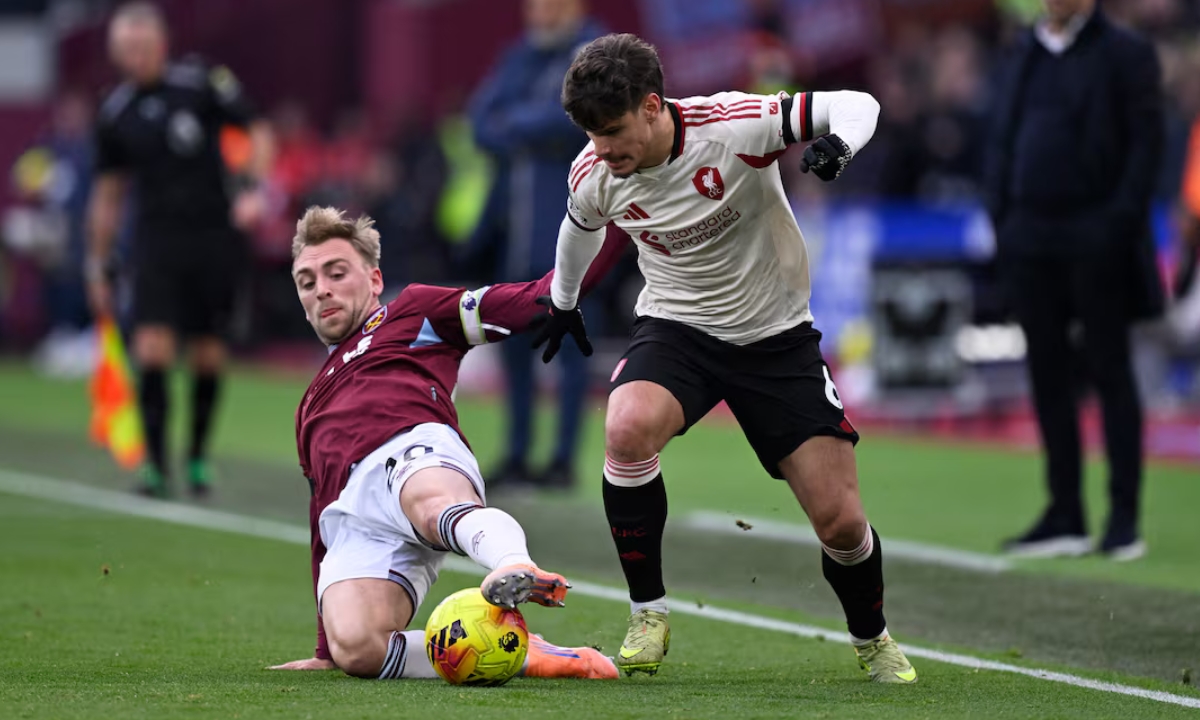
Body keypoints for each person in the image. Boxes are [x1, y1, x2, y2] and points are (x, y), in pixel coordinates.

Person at [534, 33, 916, 683]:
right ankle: (647, 612)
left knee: (843, 523)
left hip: (777, 337)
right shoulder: (596, 170)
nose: (603, 149)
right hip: (678, 328)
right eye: (592, 134)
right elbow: (579, 226)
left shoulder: (738, 124)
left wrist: (839, 146)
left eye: (614, 130)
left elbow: (859, 103)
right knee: (626, 428)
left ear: (653, 106)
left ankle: (872, 637)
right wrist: (563, 302)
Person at [269, 206, 628, 679]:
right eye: (307, 281)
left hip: (411, 451)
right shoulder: (310, 404)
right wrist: (324, 648)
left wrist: (621, 222)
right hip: (357, 516)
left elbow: (536, 296)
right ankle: (527, 654)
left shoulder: (412, 312)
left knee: (430, 502)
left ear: (375, 279)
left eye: (336, 273)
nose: (323, 289)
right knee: (358, 649)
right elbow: (322, 520)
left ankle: (512, 563)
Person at [983, 0, 1164, 560]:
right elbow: (1002, 142)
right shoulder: (1024, 52)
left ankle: (1124, 517)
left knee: (1110, 370)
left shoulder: (1127, 53)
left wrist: (1116, 221)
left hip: (1098, 233)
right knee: (1047, 371)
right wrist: (1005, 223)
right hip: (1031, 235)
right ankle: (1065, 512)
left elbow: (1146, 145)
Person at [85, 2, 274, 497]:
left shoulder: (202, 84)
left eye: (143, 46)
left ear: (161, 43)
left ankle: (196, 459)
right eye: (127, 49)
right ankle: (154, 464)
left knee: (209, 354)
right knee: (151, 347)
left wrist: (253, 187)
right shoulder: (115, 112)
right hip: (154, 242)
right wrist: (97, 263)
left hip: (213, 236)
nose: (136, 57)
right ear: (116, 53)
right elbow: (107, 196)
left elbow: (256, 130)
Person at [467, 0, 605, 489]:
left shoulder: (595, 50)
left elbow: (569, 118)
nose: (540, 11)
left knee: (569, 341)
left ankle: (563, 460)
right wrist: (524, 128)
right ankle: (519, 451)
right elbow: (480, 118)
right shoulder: (520, 55)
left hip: (574, 227)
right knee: (512, 341)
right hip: (515, 226)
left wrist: (516, 125)